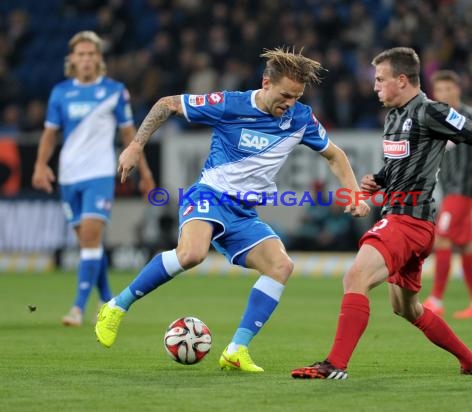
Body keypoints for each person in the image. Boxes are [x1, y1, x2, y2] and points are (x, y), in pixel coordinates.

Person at [94, 48, 370, 372]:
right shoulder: (229, 104)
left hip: (243, 213)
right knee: (192, 254)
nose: (289, 104)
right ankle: (116, 306)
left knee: (281, 266)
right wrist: (137, 145)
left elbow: (334, 155)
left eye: (296, 97)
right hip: (209, 194)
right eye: (284, 95)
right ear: (265, 82)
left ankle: (236, 350)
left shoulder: (300, 118)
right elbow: (166, 104)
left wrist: (353, 194)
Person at [291, 47, 472, 380]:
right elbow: (401, 163)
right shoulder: (393, 117)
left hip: (408, 221)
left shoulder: (432, 111)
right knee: (406, 308)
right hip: (410, 223)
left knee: (354, 278)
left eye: (380, 79)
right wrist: (380, 179)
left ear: (402, 80)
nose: (375, 86)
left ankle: (335, 364)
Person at [32, 31, 155, 327]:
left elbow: (129, 134)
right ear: (72, 59)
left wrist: (145, 173)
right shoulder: (61, 92)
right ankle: (108, 299)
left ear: (99, 59)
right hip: (68, 176)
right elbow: (50, 133)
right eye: (81, 54)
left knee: (89, 240)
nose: (86, 59)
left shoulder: (115, 91)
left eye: (91, 54)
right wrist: (39, 165)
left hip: (99, 174)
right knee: (90, 244)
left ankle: (77, 308)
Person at [422, 70, 472, 319]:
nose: (445, 94)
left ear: (458, 90)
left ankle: (435, 299)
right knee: (467, 246)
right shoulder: (436, 116)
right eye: (440, 90)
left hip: (463, 190)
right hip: (450, 191)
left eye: (449, 88)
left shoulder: (468, 116)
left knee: (443, 238)